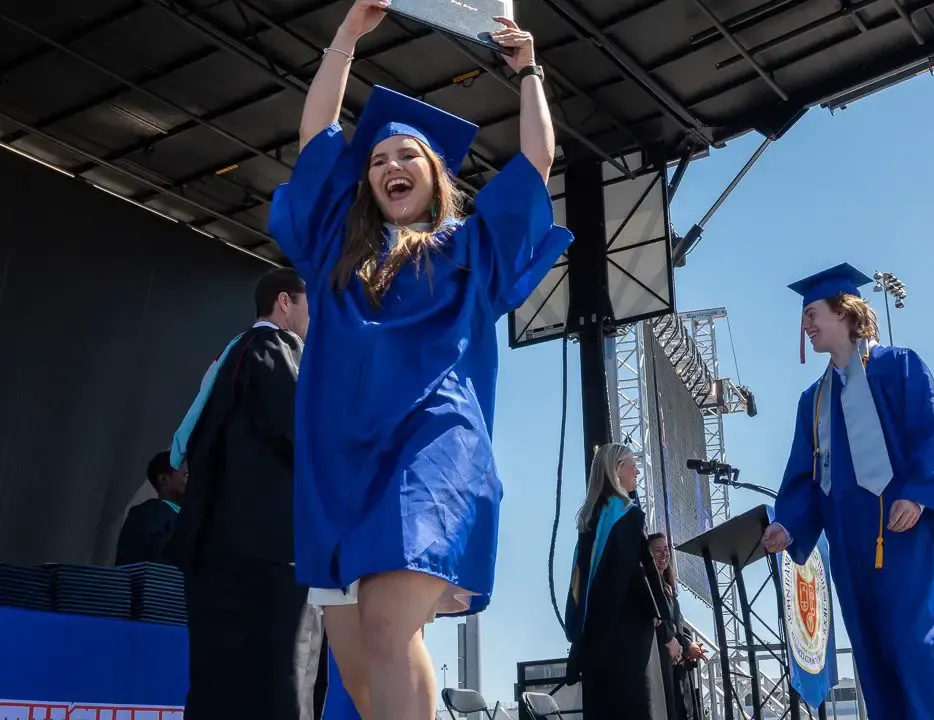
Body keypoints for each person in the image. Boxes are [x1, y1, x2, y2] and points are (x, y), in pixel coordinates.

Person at [266, 1, 572, 718]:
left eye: (407, 156)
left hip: (433, 448)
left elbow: (536, 161)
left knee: (385, 621)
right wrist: (346, 38)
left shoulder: (470, 253)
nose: (389, 165)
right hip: (342, 470)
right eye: (376, 160)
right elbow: (316, 138)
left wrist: (527, 70)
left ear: (435, 175)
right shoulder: (333, 256)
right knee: (364, 675)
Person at [760, 263, 934, 720]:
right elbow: (804, 476)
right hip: (850, 545)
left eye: (813, 314)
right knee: (872, 658)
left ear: (847, 312)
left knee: (915, 647)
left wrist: (917, 493)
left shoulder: (900, 367)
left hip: (905, 534)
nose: (807, 325)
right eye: (804, 318)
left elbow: (932, 435)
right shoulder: (812, 401)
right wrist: (788, 525)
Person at [166, 267, 323, 720]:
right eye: (309, 305)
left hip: (214, 561)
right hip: (270, 560)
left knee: (217, 690)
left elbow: (185, 446)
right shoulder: (275, 348)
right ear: (284, 303)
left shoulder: (224, 361)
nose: (315, 319)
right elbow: (304, 436)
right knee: (280, 687)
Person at [563, 444, 680, 720]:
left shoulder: (590, 520)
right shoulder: (625, 516)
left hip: (594, 642)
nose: (636, 470)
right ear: (616, 470)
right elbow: (639, 574)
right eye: (631, 464)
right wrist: (662, 620)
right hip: (624, 639)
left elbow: (581, 583)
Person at [648, 533, 707, 720]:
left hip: (680, 673)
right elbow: (659, 625)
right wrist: (684, 645)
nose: (664, 554)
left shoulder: (670, 589)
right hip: (662, 671)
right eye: (658, 551)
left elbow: (680, 626)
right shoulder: (648, 589)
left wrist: (691, 648)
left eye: (666, 549)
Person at [115, 451, 186, 566]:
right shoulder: (146, 515)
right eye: (185, 475)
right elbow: (128, 563)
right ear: (163, 479)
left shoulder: (194, 518)